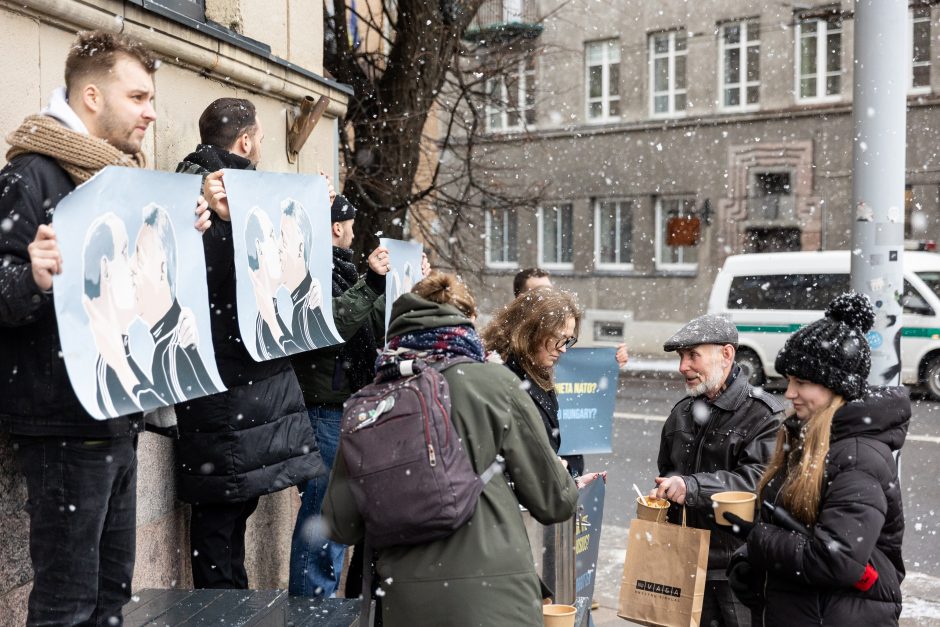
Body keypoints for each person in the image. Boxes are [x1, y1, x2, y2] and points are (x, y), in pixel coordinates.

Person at [0, 30, 206, 624]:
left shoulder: (123, 179)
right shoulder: (32, 176)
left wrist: (181, 237)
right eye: (138, 97)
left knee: (111, 600)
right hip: (64, 421)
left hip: (117, 410)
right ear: (92, 96)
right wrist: (31, 280)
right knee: (68, 605)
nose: (150, 112)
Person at [322, 273, 579, 627]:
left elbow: (340, 525)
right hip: (499, 600)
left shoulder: (372, 403)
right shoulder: (496, 384)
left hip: (407, 605)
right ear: (468, 321)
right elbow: (556, 501)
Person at [174, 97, 340, 589]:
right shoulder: (207, 195)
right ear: (244, 141)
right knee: (221, 517)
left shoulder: (221, 191)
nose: (263, 148)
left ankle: (230, 608)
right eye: (262, 139)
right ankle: (223, 612)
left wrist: (312, 212)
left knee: (229, 512)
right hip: (227, 384)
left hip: (234, 386)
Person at [726, 293, 909, 627]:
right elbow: (789, 524)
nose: (789, 393)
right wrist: (749, 563)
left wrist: (757, 538)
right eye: (790, 381)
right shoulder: (805, 438)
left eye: (803, 382)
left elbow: (835, 560)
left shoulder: (856, 457)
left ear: (836, 388)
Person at [288, 193, 393, 598]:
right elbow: (330, 327)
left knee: (335, 516)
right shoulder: (310, 269)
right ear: (338, 227)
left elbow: (377, 323)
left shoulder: (343, 269)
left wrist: (402, 282)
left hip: (345, 405)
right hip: (325, 409)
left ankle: (321, 605)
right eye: (350, 224)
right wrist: (372, 284)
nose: (353, 231)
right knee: (324, 517)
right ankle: (311, 611)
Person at [654, 313, 783, 627]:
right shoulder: (681, 413)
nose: (683, 367)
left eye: (692, 355)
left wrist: (691, 488)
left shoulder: (763, 414)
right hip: (683, 565)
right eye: (682, 357)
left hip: (736, 570)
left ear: (727, 354)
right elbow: (668, 472)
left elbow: (758, 482)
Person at [482, 286, 585, 475]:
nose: (563, 349)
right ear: (530, 331)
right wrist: (550, 473)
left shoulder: (536, 372)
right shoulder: (498, 375)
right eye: (560, 339)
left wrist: (568, 470)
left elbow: (555, 444)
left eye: (569, 340)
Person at [132, 203, 220, 403]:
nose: (131, 269)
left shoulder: (171, 352)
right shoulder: (174, 340)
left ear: (163, 268)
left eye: (139, 258)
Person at [278, 197, 332, 350]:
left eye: (283, 238)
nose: (278, 247)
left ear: (301, 248)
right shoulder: (300, 303)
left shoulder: (307, 309)